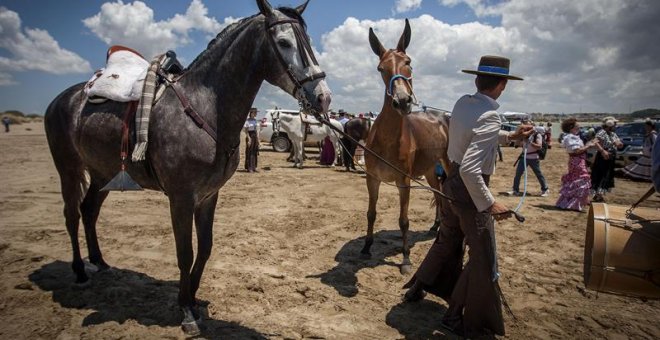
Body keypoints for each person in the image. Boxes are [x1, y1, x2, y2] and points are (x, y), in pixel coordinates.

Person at [403, 55, 531, 338]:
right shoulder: (490, 115)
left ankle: (418, 287)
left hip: (450, 185)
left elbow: (469, 138)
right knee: (482, 258)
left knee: (446, 240)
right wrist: (489, 202)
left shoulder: (462, 103)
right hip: (469, 191)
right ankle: (454, 319)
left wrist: (510, 138)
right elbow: (473, 169)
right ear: (503, 85)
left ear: (476, 80)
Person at [555, 118, 597, 211]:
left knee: (576, 180)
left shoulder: (574, 136)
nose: (579, 125)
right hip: (576, 161)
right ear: (571, 127)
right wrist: (589, 145)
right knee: (582, 179)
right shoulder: (571, 137)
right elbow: (576, 151)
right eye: (577, 124)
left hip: (578, 160)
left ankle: (572, 203)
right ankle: (573, 204)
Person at [508, 125, 550, 197]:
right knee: (518, 174)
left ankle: (545, 189)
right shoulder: (525, 135)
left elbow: (539, 146)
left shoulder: (537, 135)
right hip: (524, 157)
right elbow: (514, 139)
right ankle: (515, 190)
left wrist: (530, 142)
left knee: (538, 174)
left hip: (533, 158)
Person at [591, 117, 623, 202]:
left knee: (607, 175)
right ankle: (598, 194)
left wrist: (619, 144)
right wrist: (602, 151)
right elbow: (595, 142)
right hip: (603, 156)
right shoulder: (602, 132)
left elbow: (618, 143)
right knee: (601, 175)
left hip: (610, 156)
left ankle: (599, 194)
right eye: (614, 124)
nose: (616, 126)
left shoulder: (612, 134)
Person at [243, 108, 260, 173]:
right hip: (249, 135)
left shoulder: (255, 120)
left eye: (256, 112)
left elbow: (256, 129)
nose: (256, 114)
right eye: (255, 112)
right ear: (251, 113)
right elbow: (246, 131)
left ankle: (254, 167)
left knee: (254, 151)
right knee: (249, 151)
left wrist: (258, 139)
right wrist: (249, 138)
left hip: (254, 135)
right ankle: (249, 167)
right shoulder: (247, 121)